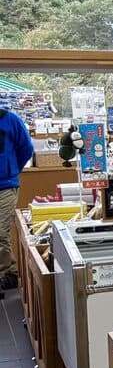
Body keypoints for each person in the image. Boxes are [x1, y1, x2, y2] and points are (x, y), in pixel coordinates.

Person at [0, 108, 35, 291]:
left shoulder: (10, 119)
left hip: (5, 185)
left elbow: (26, 148)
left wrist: (12, 169)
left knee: (0, 231)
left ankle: (8, 273)